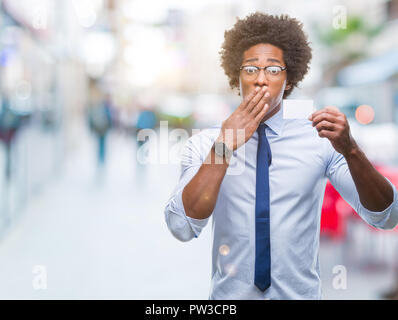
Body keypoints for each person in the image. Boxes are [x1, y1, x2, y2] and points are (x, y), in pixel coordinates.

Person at [164, 12, 398, 300]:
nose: (261, 80)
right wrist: (224, 146)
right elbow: (182, 226)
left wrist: (351, 150)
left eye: (273, 70)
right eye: (250, 69)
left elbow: (387, 216)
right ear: (237, 77)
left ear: (289, 81)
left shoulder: (320, 141)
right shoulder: (206, 144)